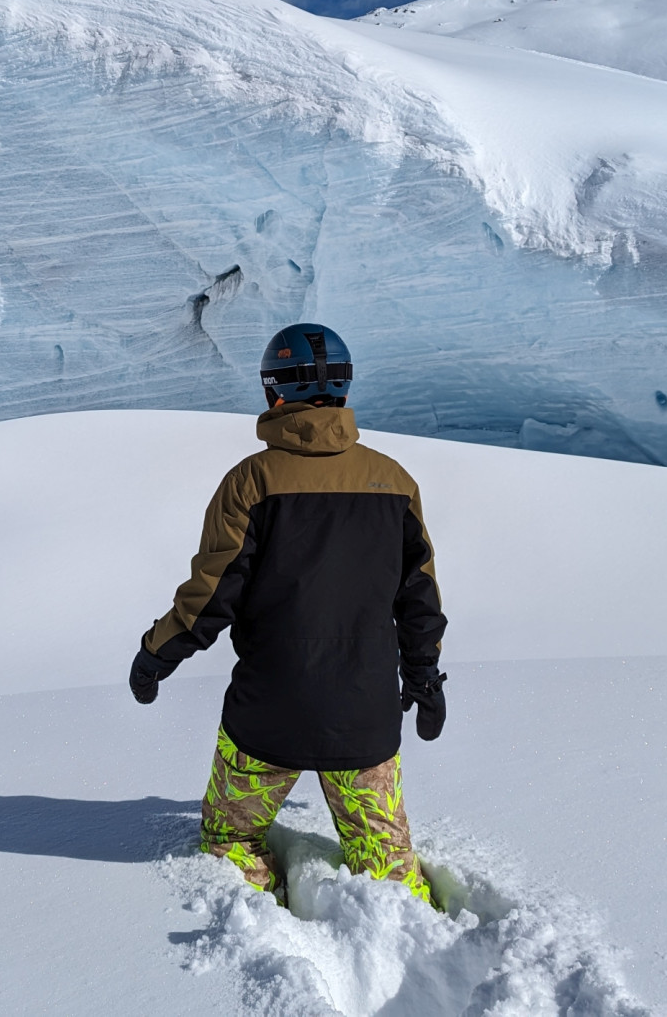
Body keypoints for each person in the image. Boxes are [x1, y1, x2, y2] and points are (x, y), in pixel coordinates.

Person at [130, 322, 447, 904]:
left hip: (268, 715)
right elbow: (419, 598)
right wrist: (424, 678)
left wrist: (156, 654)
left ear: (274, 392)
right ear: (345, 392)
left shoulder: (251, 482)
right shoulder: (394, 483)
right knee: (387, 860)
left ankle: (264, 919)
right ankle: (414, 936)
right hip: (365, 717)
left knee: (231, 836)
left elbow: (211, 596)